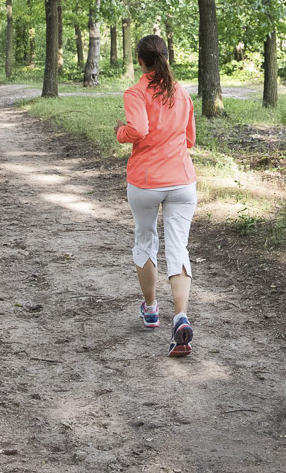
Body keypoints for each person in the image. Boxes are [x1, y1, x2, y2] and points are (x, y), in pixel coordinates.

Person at [115, 34, 198, 357]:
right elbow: (189, 139)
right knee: (178, 247)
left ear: (140, 61)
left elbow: (138, 130)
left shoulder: (136, 93)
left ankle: (151, 309)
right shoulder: (182, 94)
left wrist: (121, 132)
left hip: (147, 181)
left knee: (145, 240)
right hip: (181, 180)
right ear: (167, 58)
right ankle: (180, 316)